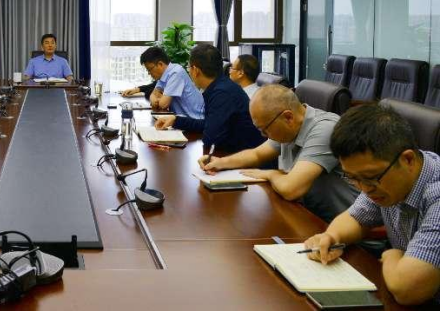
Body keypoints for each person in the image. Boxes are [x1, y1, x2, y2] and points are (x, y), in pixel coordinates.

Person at [304, 105, 440, 306]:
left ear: (408, 159)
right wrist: (332, 237)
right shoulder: (386, 177)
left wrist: (391, 256)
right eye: (352, 178)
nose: (364, 189)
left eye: (369, 178)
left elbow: (408, 289)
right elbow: (356, 217)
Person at [199, 84, 358, 222]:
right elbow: (257, 155)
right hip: (306, 214)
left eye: (265, 129)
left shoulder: (325, 129)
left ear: (288, 117)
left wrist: (272, 174)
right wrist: (221, 162)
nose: (263, 135)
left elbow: (291, 189)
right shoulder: (288, 126)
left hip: (343, 229)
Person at [155, 44, 264, 153]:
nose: (189, 71)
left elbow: (211, 139)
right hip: (236, 152)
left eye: (189, 68)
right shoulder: (220, 86)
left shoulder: (222, 94)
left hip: (246, 158)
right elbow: (209, 124)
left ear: (195, 70)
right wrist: (175, 120)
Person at [135, 46, 204, 117]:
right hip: (181, 118)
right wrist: (156, 99)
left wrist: (158, 99)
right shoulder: (164, 75)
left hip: (195, 118)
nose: (149, 73)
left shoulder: (175, 73)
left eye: (150, 69)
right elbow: (153, 95)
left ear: (160, 64)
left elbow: (163, 105)